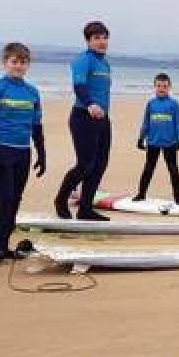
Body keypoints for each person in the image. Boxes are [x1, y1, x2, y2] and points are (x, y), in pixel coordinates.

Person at [0, 42, 46, 264]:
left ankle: (6, 243)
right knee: (3, 199)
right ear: (5, 63)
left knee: (15, 198)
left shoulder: (32, 92)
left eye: (23, 62)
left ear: (29, 64)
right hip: (1, 151)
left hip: (23, 153)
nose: (18, 66)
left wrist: (41, 152)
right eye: (14, 62)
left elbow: (36, 125)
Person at [54, 20, 112, 220]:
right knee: (85, 164)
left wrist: (101, 111)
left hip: (103, 119)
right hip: (83, 117)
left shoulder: (104, 63)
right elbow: (79, 85)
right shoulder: (84, 60)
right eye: (97, 38)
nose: (102, 41)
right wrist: (89, 104)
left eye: (105, 37)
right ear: (88, 41)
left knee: (100, 164)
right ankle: (61, 200)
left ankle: (86, 208)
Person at [134, 73, 179, 203]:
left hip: (170, 142)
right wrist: (141, 138)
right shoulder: (151, 104)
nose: (161, 88)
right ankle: (141, 194)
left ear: (169, 87)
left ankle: (178, 198)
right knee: (148, 169)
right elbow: (146, 122)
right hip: (153, 142)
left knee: (173, 170)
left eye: (164, 86)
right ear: (154, 87)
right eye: (159, 86)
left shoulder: (174, 104)